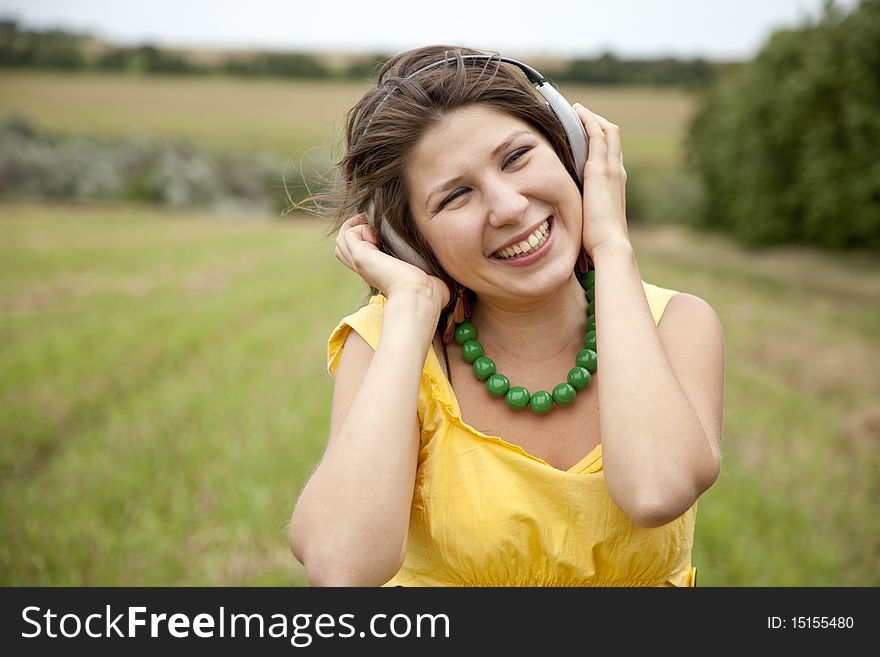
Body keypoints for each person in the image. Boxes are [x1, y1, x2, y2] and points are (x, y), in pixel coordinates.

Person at [288, 45, 725, 587]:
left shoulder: (678, 324)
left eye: (517, 157)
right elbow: (341, 566)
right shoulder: (387, 346)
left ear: (573, 153)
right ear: (412, 242)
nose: (510, 206)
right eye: (456, 196)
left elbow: (656, 490)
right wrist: (410, 308)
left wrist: (611, 242)